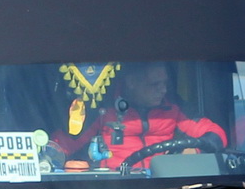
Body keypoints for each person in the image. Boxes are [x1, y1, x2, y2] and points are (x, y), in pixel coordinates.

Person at [54, 62, 226, 170]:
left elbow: (217, 134)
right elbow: (60, 146)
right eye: (154, 84)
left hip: (165, 187)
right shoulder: (103, 109)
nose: (163, 90)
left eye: (165, 83)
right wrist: (56, 158)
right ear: (131, 83)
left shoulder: (173, 107)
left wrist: (196, 149)